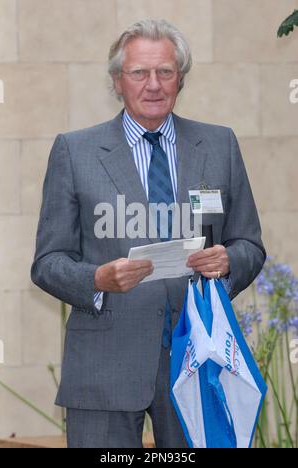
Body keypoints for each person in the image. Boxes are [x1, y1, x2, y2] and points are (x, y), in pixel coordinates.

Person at [31, 19, 266, 448]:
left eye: (165, 72)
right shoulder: (75, 151)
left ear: (181, 78)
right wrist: (97, 280)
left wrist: (230, 261)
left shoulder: (219, 145)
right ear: (118, 81)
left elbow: (249, 244)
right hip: (105, 368)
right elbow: (48, 263)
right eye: (139, 73)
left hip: (198, 364)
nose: (153, 84)